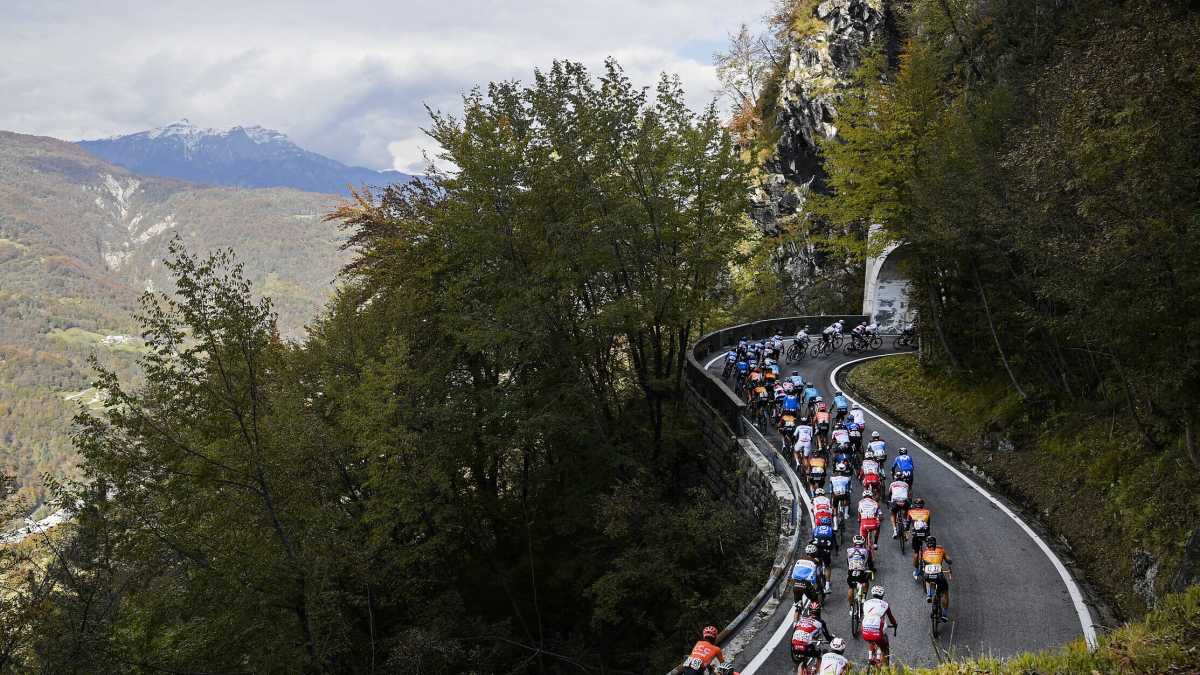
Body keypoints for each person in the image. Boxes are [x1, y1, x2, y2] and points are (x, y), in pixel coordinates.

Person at [862, 586, 898, 667]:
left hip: (865, 631)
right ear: (882, 595)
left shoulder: (866, 603)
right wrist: (895, 625)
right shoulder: (885, 604)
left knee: (871, 639)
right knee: (883, 645)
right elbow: (891, 619)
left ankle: (870, 656)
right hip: (877, 633)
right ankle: (882, 663)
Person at [918, 536, 953, 620]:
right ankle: (944, 614)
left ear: (927, 544)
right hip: (939, 576)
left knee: (927, 578)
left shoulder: (924, 552)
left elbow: (920, 562)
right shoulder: (941, 550)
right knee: (945, 592)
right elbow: (949, 561)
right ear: (935, 543)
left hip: (927, 575)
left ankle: (929, 595)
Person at [790, 601, 834, 666]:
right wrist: (831, 640)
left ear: (809, 611)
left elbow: (794, 629)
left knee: (802, 663)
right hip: (806, 648)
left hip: (794, 648)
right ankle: (818, 672)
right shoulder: (821, 622)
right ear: (819, 612)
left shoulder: (802, 619)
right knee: (819, 655)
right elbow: (827, 637)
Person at [845, 534, 874, 610]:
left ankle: (851, 607)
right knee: (866, 581)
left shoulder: (848, 550)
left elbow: (848, 562)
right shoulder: (866, 551)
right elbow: (870, 562)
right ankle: (864, 597)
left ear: (854, 543)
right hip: (861, 572)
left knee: (851, 587)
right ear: (863, 543)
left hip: (851, 571)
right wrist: (871, 569)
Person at [811, 518, 838, 593]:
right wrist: (836, 551)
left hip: (816, 550)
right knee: (827, 566)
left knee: (815, 564)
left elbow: (812, 540)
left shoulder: (815, 529)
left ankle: (814, 583)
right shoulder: (830, 530)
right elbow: (834, 543)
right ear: (829, 524)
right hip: (826, 551)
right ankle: (827, 586)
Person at [887, 473, 910, 539]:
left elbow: (890, 493)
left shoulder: (892, 484)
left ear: (895, 478)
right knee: (907, 509)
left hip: (895, 502)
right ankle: (905, 522)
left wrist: (889, 502)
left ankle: (894, 530)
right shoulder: (906, 484)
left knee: (893, 513)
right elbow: (907, 494)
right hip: (904, 501)